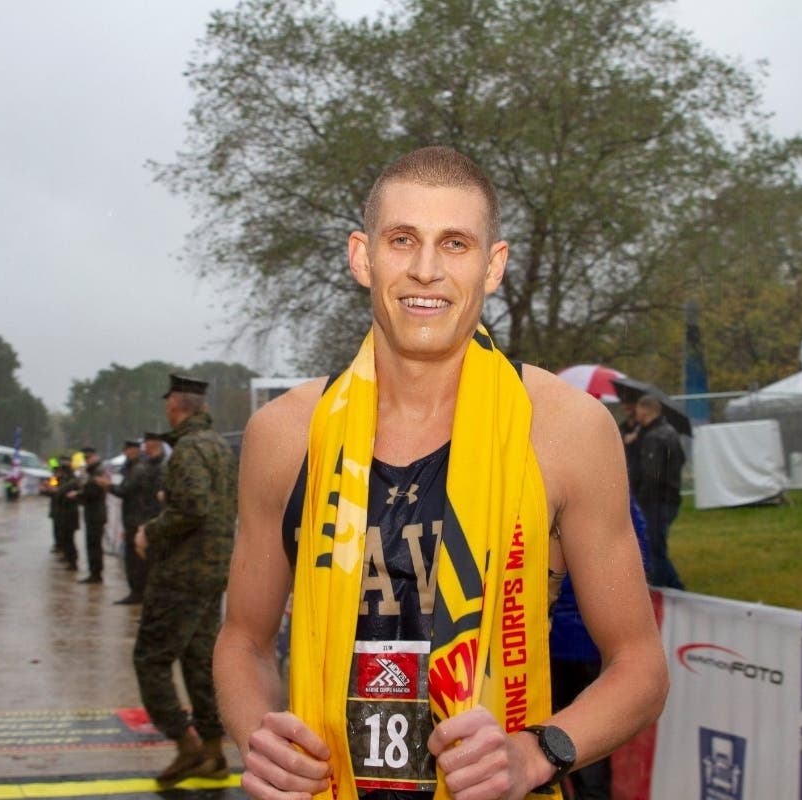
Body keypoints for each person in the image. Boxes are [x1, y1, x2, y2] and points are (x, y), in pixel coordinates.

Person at [213, 146, 667, 800]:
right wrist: (259, 739)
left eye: (455, 244)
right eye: (402, 240)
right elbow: (243, 640)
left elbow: (640, 665)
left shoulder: (566, 430)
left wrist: (535, 753)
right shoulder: (285, 435)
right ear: (362, 257)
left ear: (493, 265)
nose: (425, 270)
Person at [132, 374, 238, 785]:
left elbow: (193, 506)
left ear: (173, 406)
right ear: (203, 407)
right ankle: (213, 751)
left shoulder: (189, 448)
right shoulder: (218, 446)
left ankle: (185, 743)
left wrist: (150, 531)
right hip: (213, 571)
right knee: (198, 660)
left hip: (182, 572)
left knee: (151, 659)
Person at [548, 500, 649, 799]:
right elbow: (642, 566)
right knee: (577, 751)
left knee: (555, 748)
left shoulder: (542, 499)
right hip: (585, 648)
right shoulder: (618, 506)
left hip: (558, 647)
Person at [99, 436, 163, 605]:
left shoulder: (138, 469)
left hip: (137, 519)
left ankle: (138, 593)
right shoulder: (133, 467)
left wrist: (108, 486)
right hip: (133, 518)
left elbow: (126, 490)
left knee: (135, 559)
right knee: (134, 558)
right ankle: (137, 592)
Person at [631, 393, 686, 590]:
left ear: (645, 410)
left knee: (654, 548)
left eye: (638, 409)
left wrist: (640, 498)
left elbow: (651, 475)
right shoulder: (668, 432)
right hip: (669, 497)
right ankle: (671, 586)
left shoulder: (655, 437)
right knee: (656, 546)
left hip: (656, 501)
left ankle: (667, 588)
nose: (636, 413)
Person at [73, 446, 107, 584]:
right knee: (91, 544)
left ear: (94, 456)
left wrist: (79, 495)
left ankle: (96, 574)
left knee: (94, 545)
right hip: (92, 512)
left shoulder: (98, 471)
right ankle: (94, 572)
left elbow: (93, 492)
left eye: (88, 457)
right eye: (85, 458)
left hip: (96, 513)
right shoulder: (90, 471)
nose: (87, 460)